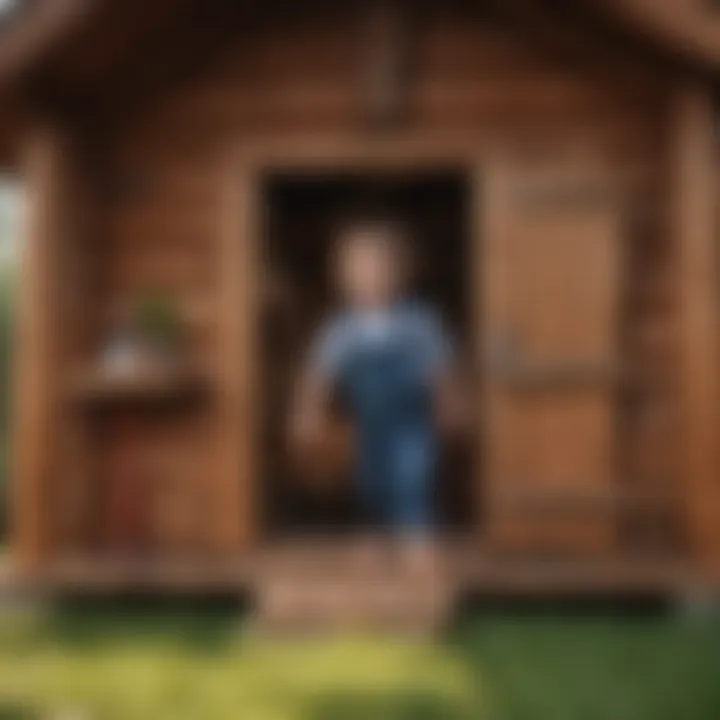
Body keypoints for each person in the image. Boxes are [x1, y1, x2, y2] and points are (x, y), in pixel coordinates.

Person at [289, 216, 462, 573]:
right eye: (360, 271)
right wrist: (307, 413)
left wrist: (451, 405)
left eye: (379, 269)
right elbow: (319, 375)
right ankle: (375, 536)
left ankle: (416, 535)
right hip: (368, 421)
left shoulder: (418, 322)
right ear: (344, 278)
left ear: (400, 273)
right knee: (371, 478)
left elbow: (440, 370)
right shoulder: (341, 329)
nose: (370, 279)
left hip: (412, 417)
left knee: (414, 472)